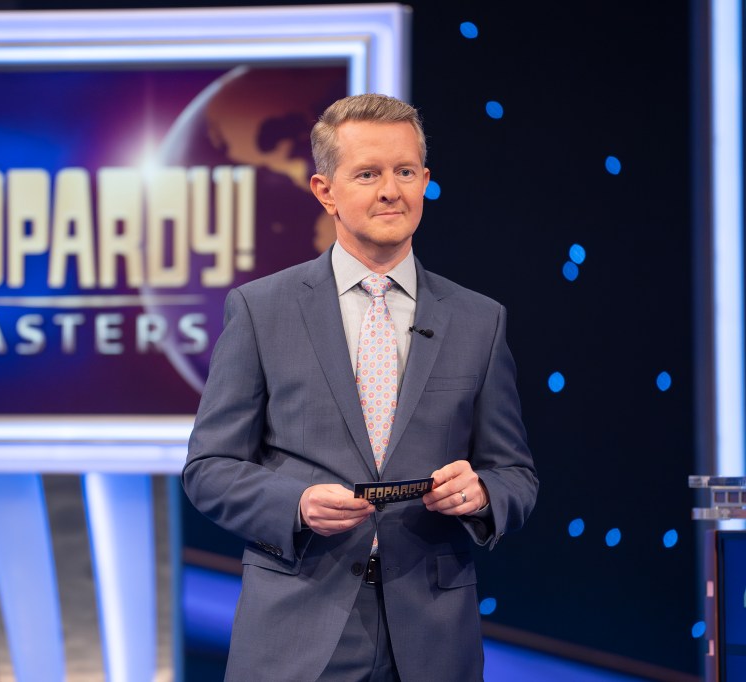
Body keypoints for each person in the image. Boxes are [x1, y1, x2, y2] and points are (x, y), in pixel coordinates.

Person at [182, 93, 538, 681]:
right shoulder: (261, 310)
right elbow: (209, 468)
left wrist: (482, 494)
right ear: (325, 191)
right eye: (368, 174)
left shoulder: (480, 320)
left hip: (431, 636)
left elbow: (515, 474)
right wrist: (296, 504)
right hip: (296, 628)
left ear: (426, 181)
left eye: (405, 172)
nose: (390, 191)